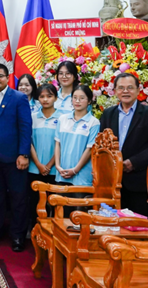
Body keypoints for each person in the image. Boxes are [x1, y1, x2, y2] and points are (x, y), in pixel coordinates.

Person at [0, 63, 32, 252]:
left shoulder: (18, 98)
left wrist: (23, 154)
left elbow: (25, 127)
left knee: (18, 198)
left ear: (7, 77)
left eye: (0, 76)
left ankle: (18, 236)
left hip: (14, 158)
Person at [99, 73, 148, 217]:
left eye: (130, 88)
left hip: (139, 182)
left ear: (138, 90)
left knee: (138, 225)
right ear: (115, 91)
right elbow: (101, 144)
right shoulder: (108, 114)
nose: (125, 91)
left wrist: (133, 163)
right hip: (112, 182)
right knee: (113, 224)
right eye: (121, 88)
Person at [54, 84, 100, 215]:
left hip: (81, 177)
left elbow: (90, 149)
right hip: (62, 174)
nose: (77, 101)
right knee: (61, 213)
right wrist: (58, 166)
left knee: (78, 215)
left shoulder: (93, 122)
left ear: (89, 101)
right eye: (75, 98)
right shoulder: (63, 119)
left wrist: (75, 169)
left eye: (82, 98)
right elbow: (57, 144)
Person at [28, 84, 62, 229]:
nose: (45, 99)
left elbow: (61, 143)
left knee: (54, 203)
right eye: (42, 96)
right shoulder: (32, 117)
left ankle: (53, 233)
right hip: (34, 168)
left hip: (54, 169)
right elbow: (29, 142)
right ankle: (35, 231)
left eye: (49, 96)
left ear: (56, 98)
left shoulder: (63, 118)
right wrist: (38, 164)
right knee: (34, 202)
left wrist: (49, 165)